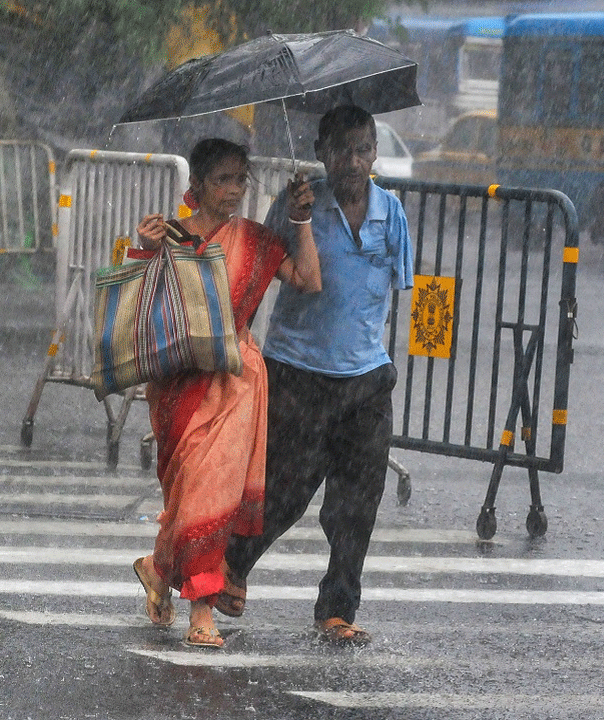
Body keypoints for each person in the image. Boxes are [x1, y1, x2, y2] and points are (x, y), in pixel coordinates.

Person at [218, 105, 415, 645]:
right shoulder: (298, 204)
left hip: (366, 378)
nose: (352, 161)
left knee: (358, 499)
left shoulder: (390, 212)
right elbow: (269, 270)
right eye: (342, 149)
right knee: (286, 488)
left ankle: (337, 606)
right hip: (298, 370)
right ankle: (233, 567)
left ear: (374, 154)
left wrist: (373, 358)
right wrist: (299, 218)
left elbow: (393, 288)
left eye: (363, 149)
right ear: (323, 152)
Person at [131, 138, 321, 648]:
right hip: (179, 384)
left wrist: (300, 221)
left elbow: (307, 278)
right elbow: (139, 305)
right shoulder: (169, 237)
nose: (234, 189)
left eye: (241, 179)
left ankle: (201, 611)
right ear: (195, 186)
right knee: (189, 493)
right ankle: (156, 567)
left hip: (235, 382)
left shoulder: (257, 241)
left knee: (210, 494)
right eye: (222, 180)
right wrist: (144, 250)